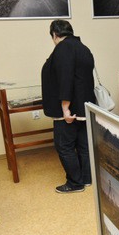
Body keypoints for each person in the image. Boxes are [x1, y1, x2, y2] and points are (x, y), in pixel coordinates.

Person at [41, 19, 96, 194]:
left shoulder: (63, 48)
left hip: (69, 109)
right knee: (83, 144)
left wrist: (65, 109)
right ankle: (86, 178)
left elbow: (65, 80)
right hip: (84, 106)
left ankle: (75, 183)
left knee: (64, 145)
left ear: (55, 35)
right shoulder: (83, 48)